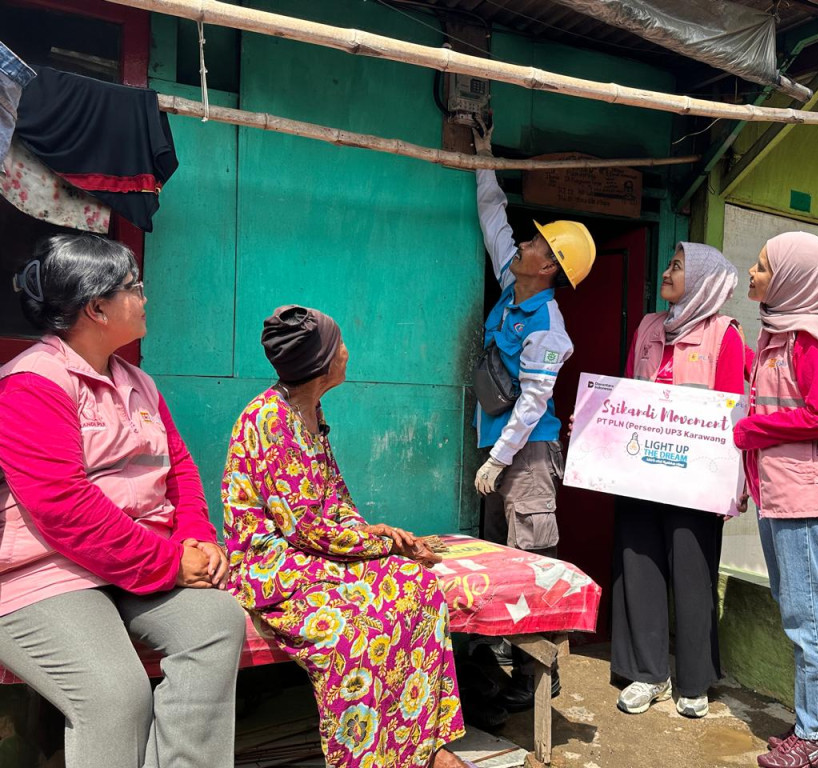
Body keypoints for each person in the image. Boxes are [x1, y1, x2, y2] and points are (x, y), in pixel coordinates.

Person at [0, 234, 246, 768]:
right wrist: (171, 561)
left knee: (216, 621)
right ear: (96, 307)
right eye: (134, 287)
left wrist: (196, 538)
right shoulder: (32, 384)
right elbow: (62, 509)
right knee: (116, 696)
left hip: (131, 564)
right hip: (45, 572)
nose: (145, 297)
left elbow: (178, 469)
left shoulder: (137, 381)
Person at [222, 305, 467, 768]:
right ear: (323, 362)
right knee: (356, 628)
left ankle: (426, 748)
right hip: (273, 563)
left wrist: (377, 533)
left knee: (418, 588)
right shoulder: (269, 420)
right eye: (340, 344)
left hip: (312, 551)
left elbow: (333, 501)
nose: (348, 352)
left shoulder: (310, 410)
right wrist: (381, 545)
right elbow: (304, 528)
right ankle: (365, 757)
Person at [470, 120, 596, 710]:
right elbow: (495, 220)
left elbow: (533, 402)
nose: (524, 244)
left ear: (548, 269)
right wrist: (483, 155)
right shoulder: (509, 285)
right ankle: (507, 671)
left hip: (528, 459)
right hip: (501, 457)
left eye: (536, 246)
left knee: (531, 562)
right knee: (499, 559)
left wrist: (497, 458)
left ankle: (536, 680)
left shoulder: (549, 328)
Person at [735, 232, 818, 768]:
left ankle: (817, 741)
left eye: (763, 267)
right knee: (803, 612)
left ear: (793, 279)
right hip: (785, 491)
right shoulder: (780, 332)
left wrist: (755, 430)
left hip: (806, 495)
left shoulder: (809, 337)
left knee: (808, 619)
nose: (752, 272)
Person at [610, 243, 745, 719]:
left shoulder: (725, 335)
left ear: (705, 281)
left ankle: (693, 681)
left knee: (693, 574)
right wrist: (598, 428)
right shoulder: (649, 327)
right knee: (638, 564)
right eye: (668, 262)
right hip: (641, 473)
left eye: (677, 266)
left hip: (696, 484)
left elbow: (733, 415)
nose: (666, 272)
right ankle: (648, 674)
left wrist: (733, 486)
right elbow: (626, 390)